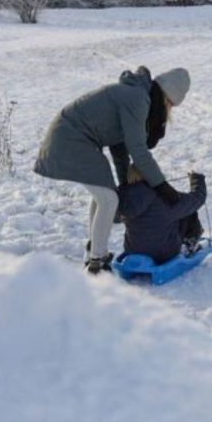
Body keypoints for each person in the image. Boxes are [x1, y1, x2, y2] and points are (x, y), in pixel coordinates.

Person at [35, 66, 191, 273]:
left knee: (105, 195)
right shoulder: (138, 99)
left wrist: (126, 184)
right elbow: (138, 150)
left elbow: (119, 148)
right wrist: (162, 187)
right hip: (71, 138)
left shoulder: (136, 95)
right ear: (166, 97)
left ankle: (94, 250)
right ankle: (96, 262)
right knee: (108, 200)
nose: (168, 110)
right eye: (170, 104)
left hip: (78, 138)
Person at [118, 167, 207, 262]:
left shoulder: (123, 198)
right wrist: (197, 178)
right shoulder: (164, 197)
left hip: (133, 251)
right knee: (188, 211)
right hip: (162, 254)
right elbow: (196, 199)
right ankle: (191, 243)